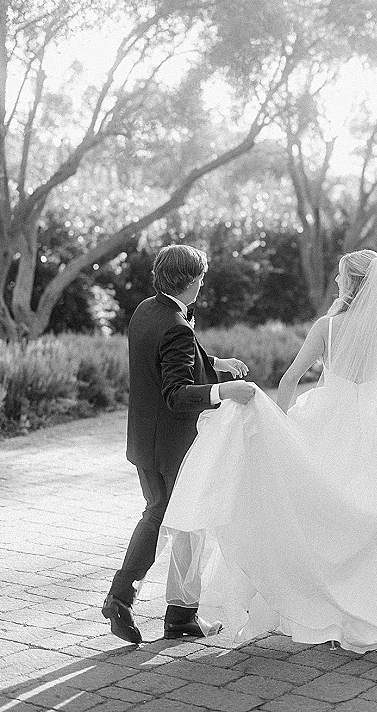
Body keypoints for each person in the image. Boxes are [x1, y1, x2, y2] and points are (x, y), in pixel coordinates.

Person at [159, 250, 377, 653]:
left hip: (328, 425)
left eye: (340, 277)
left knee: (321, 518)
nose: (336, 283)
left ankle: (320, 605)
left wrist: (279, 431)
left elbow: (288, 381)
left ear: (353, 284)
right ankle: (369, 610)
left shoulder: (329, 328)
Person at [102, 244, 254, 644]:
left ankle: (149, 605)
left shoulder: (147, 310)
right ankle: (154, 607)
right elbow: (177, 392)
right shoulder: (176, 324)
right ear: (187, 280)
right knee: (184, 520)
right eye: (201, 276)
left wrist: (214, 362)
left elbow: (172, 348)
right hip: (174, 446)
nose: (204, 281)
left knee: (163, 516)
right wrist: (226, 391)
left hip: (144, 441)